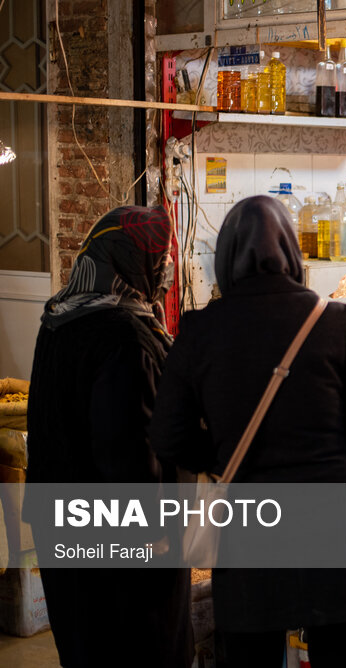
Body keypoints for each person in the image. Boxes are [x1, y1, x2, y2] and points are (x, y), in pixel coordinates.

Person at [149, 196, 346, 668]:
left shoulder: (200, 330)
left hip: (254, 517)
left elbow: (168, 435)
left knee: (252, 655)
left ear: (226, 258)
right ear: (291, 251)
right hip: (337, 516)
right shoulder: (334, 320)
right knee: (338, 656)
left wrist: (223, 457)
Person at [25, 206, 194, 668]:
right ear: (130, 261)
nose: (164, 271)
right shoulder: (125, 338)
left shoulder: (59, 318)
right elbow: (130, 456)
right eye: (158, 260)